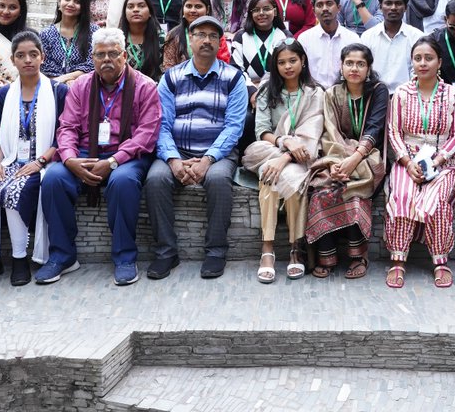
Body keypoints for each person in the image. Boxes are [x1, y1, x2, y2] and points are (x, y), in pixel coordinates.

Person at [35, 27, 161, 285]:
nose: (106, 60)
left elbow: (147, 134)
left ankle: (125, 257)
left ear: (125, 56)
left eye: (113, 54)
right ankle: (62, 255)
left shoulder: (145, 87)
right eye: (100, 54)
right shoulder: (80, 86)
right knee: (54, 178)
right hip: (84, 152)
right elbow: (67, 127)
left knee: (122, 182)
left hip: (127, 155)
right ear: (92, 58)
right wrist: (70, 159)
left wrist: (113, 161)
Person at [146, 15, 249, 280]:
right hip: (178, 150)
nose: (206, 40)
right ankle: (166, 252)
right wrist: (173, 160)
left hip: (218, 154)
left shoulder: (233, 77)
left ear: (220, 42)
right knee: (156, 179)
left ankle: (215, 251)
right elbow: (162, 124)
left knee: (216, 180)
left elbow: (234, 127)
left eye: (213, 36)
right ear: (189, 39)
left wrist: (208, 159)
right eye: (200, 34)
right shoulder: (171, 77)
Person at [0, 32, 69, 289]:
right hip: (11, 159)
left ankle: (19, 259)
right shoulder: (3, 95)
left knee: (13, 190)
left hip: (43, 162)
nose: (28, 60)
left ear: (42, 57)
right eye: (21, 55)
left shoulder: (58, 91)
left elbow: (64, 135)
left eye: (33, 54)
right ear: (13, 59)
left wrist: (41, 162)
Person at [383, 37, 455, 289]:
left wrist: (438, 161)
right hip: (407, 159)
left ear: (439, 62)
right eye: (417, 58)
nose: (422, 63)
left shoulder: (452, 94)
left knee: (436, 202)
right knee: (402, 196)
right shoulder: (402, 93)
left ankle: (440, 261)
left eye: (428, 58)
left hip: (443, 160)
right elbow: (393, 131)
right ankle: (398, 259)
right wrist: (408, 163)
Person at [241, 41, 325, 282]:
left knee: (285, 177)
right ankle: (267, 248)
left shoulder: (315, 93)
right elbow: (262, 132)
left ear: (303, 61)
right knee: (268, 168)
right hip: (272, 149)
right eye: (281, 62)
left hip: (304, 155)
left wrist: (286, 158)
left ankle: (294, 249)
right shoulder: (268, 91)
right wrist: (286, 144)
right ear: (275, 66)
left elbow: (313, 134)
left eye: (292, 61)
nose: (287, 66)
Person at [305, 44, 388, 279]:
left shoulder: (378, 91)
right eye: (349, 63)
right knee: (322, 192)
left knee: (354, 193)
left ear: (368, 68)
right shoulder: (332, 93)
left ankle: (358, 256)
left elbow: (375, 127)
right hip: (337, 159)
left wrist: (354, 159)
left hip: (368, 159)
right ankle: (326, 256)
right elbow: (329, 133)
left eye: (360, 64)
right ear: (341, 66)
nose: (354, 68)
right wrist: (335, 165)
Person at [361, 0, 425, 92]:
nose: (393, 8)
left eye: (398, 3)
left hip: (408, 95)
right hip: (374, 95)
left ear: (405, 7)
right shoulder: (368, 37)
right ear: (380, 7)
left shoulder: (417, 37)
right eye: (388, 3)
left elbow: (419, 72)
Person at [298, 0, 361, 87]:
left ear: (339, 8)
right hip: (313, 94)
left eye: (329, 3)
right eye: (319, 5)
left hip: (343, 95)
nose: (325, 8)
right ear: (314, 10)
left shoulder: (352, 39)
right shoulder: (304, 39)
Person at [231, 0, 289, 100]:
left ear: (275, 11)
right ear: (250, 14)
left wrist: (263, 88)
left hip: (278, 91)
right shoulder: (240, 37)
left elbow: (288, 67)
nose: (261, 13)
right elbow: (236, 69)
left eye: (266, 9)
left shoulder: (285, 36)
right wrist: (252, 92)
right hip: (246, 92)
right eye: (256, 10)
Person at [39, 0, 96, 84]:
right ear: (59, 2)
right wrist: (63, 82)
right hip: (54, 88)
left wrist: (68, 79)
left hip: (84, 87)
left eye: (77, 1)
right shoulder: (46, 34)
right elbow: (44, 65)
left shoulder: (93, 32)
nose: (71, 4)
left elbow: (92, 64)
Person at [161, 0, 232, 71]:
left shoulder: (216, 34)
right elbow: (169, 67)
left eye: (198, 6)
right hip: (180, 80)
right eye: (189, 6)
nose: (193, 10)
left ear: (207, 9)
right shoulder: (173, 35)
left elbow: (223, 64)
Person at [118, 0, 164, 82]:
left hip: (154, 88)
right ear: (125, 13)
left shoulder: (162, 38)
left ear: (150, 12)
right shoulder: (117, 39)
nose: (135, 10)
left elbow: (165, 71)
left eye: (141, 6)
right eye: (130, 7)